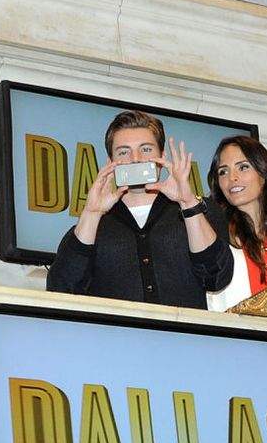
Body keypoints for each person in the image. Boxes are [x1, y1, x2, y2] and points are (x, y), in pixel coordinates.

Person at [46, 109, 233, 308]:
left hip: (184, 337)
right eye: (124, 152)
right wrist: (91, 214)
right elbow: (61, 290)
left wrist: (187, 204)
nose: (135, 159)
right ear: (111, 163)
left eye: (145, 149)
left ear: (162, 157)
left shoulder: (200, 210)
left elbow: (217, 277)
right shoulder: (94, 224)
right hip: (115, 337)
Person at [206, 135, 267, 310]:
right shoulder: (212, 236)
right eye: (223, 171)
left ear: (264, 173)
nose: (232, 178)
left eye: (243, 167)